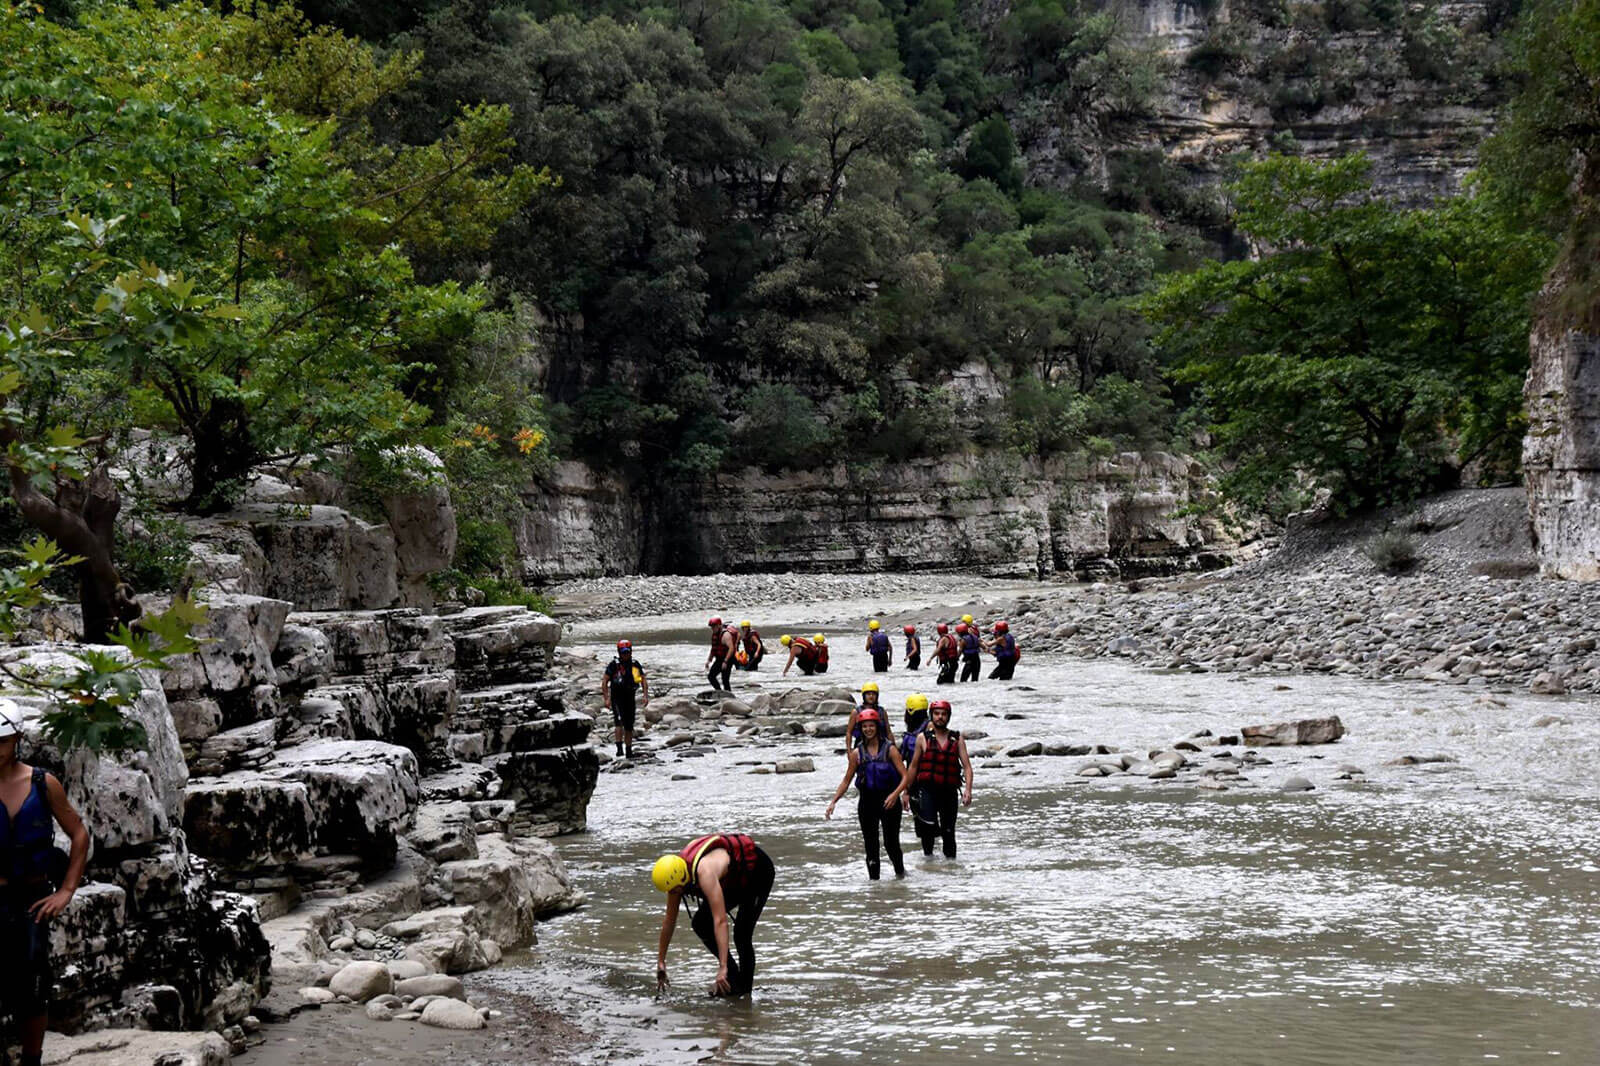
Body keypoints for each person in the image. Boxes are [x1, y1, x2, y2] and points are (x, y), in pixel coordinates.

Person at [0, 699, 89, 1066]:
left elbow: (78, 832)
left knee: (33, 985)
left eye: (2, 741)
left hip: (32, 898)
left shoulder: (42, 783)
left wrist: (67, 889)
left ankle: (32, 1060)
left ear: (17, 737)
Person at [652, 833, 774, 998]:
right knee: (701, 923)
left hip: (757, 873)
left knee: (741, 935)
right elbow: (669, 921)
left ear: (681, 879)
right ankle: (732, 980)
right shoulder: (675, 879)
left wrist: (721, 966)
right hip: (732, 879)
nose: (673, 894)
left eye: (674, 890)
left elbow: (720, 921)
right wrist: (661, 961)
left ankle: (744, 993)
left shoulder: (705, 872)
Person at [824, 708, 907, 880]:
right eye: (864, 727)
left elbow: (906, 776)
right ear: (860, 729)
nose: (868, 729)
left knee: (891, 844)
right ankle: (874, 887)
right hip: (867, 803)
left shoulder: (890, 750)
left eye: (871, 726)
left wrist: (896, 795)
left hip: (889, 802)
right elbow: (847, 780)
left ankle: (901, 876)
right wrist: (834, 801)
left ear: (877, 727)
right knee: (871, 846)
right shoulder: (857, 754)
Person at [889, 698, 972, 859]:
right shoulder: (922, 738)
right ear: (931, 716)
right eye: (936, 714)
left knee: (949, 831)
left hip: (949, 791)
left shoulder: (957, 738)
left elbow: (967, 766)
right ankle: (929, 866)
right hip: (927, 791)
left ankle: (950, 867)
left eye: (943, 714)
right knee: (928, 830)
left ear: (948, 717)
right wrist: (906, 791)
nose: (940, 717)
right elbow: (913, 767)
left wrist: (968, 790)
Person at [601, 640, 649, 759]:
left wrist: (645, 695)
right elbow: (605, 681)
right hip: (617, 698)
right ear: (619, 652)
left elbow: (643, 680)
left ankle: (628, 750)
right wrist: (606, 698)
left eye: (627, 652)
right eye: (623, 652)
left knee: (629, 725)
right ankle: (619, 749)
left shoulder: (635, 664)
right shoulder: (614, 665)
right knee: (619, 722)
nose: (626, 654)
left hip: (630, 697)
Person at [898, 693, 931, 852]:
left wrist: (905, 790)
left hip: (920, 784)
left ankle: (928, 855)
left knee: (923, 824)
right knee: (927, 824)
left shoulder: (919, 733)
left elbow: (907, 763)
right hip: (922, 782)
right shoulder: (915, 733)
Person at [845, 682, 893, 751]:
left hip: (880, 746)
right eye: (868, 694)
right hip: (861, 746)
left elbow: (888, 732)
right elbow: (849, 732)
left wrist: (893, 747)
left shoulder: (882, 711)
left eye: (873, 694)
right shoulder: (856, 712)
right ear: (864, 696)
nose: (871, 696)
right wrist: (849, 751)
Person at [705, 617, 738, 692]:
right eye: (711, 627)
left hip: (728, 658)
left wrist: (725, 661)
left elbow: (731, 648)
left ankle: (730, 696)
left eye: (714, 626)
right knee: (711, 676)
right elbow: (714, 648)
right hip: (719, 659)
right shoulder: (715, 635)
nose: (712, 628)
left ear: (719, 625)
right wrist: (709, 660)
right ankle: (719, 691)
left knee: (725, 679)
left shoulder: (726, 635)